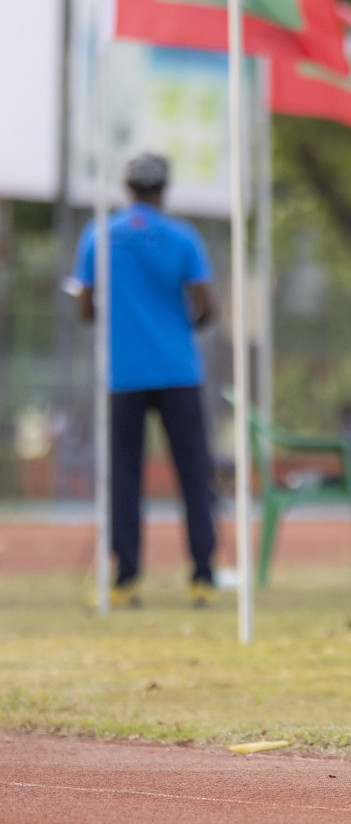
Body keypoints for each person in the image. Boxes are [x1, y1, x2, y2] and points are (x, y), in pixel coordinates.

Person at [70, 152, 219, 608]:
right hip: (178, 370)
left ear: (127, 187)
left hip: (123, 374)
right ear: (163, 190)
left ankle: (127, 578)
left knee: (123, 477)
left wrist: (118, 319)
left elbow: (84, 306)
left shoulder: (99, 233)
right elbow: (207, 305)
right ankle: (202, 575)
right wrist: (176, 328)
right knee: (194, 475)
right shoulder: (182, 236)